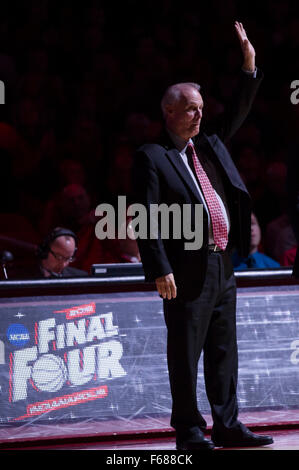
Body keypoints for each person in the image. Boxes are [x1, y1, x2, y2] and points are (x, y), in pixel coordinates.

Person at [132, 22, 273, 450]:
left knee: (223, 350)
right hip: (185, 268)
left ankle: (227, 425)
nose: (199, 114)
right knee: (185, 353)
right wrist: (159, 268)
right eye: (191, 108)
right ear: (169, 113)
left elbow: (238, 110)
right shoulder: (152, 156)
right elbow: (145, 216)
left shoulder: (208, 143)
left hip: (221, 263)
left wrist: (249, 64)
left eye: (201, 107)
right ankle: (189, 432)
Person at [13, 227, 87, 279]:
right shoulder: (22, 278)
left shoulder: (81, 277)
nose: (64, 264)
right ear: (45, 251)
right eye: (59, 257)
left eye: (68, 258)